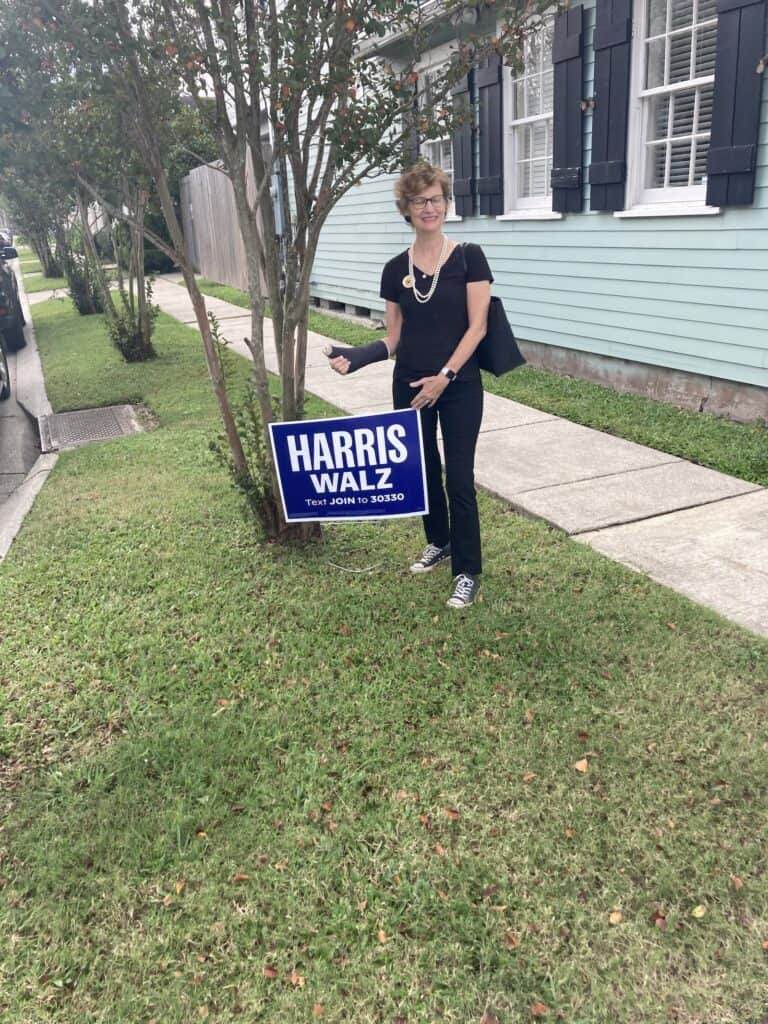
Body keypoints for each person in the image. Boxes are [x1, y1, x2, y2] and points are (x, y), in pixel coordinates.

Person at [326, 162, 492, 609]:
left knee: (459, 477)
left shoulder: (468, 258)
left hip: (458, 385)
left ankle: (467, 571)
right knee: (423, 472)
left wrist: (445, 377)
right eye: (419, 201)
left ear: (446, 202)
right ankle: (439, 541)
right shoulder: (393, 269)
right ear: (406, 208)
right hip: (409, 386)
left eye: (435, 198)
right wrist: (358, 357)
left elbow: (477, 328)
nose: (428, 207)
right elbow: (394, 337)